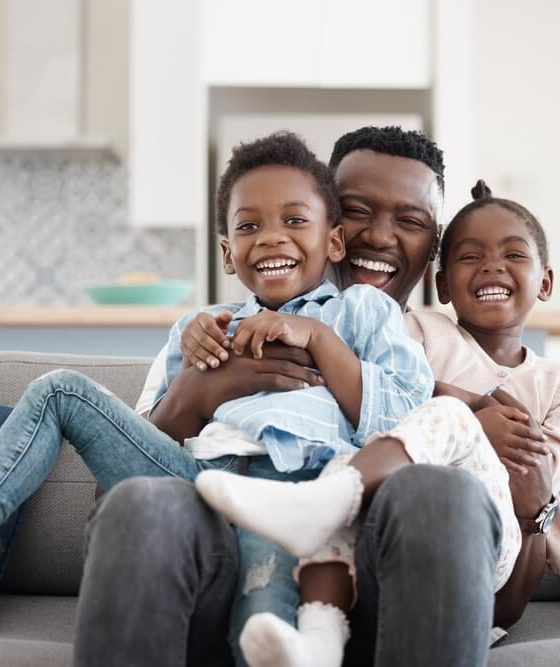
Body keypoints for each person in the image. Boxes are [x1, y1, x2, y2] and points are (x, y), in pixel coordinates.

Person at [75, 127, 551, 667]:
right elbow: (113, 493)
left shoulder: (453, 351)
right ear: (328, 222)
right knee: (140, 502)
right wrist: (198, 389)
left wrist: (519, 485)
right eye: (355, 210)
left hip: (390, 590)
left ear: (435, 244)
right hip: (219, 570)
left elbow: (503, 600)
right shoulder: (217, 332)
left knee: (443, 493)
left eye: (411, 222)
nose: (378, 236)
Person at [194, 179, 559, 666]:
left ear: (546, 281)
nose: (492, 267)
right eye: (470, 257)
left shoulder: (552, 385)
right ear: (442, 283)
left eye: (514, 256)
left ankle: (326, 498)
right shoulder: (418, 330)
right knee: (351, 460)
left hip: (489, 546)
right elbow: (387, 389)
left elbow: (533, 505)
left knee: (445, 418)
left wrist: (535, 504)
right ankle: (318, 639)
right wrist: (478, 410)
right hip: (379, 537)